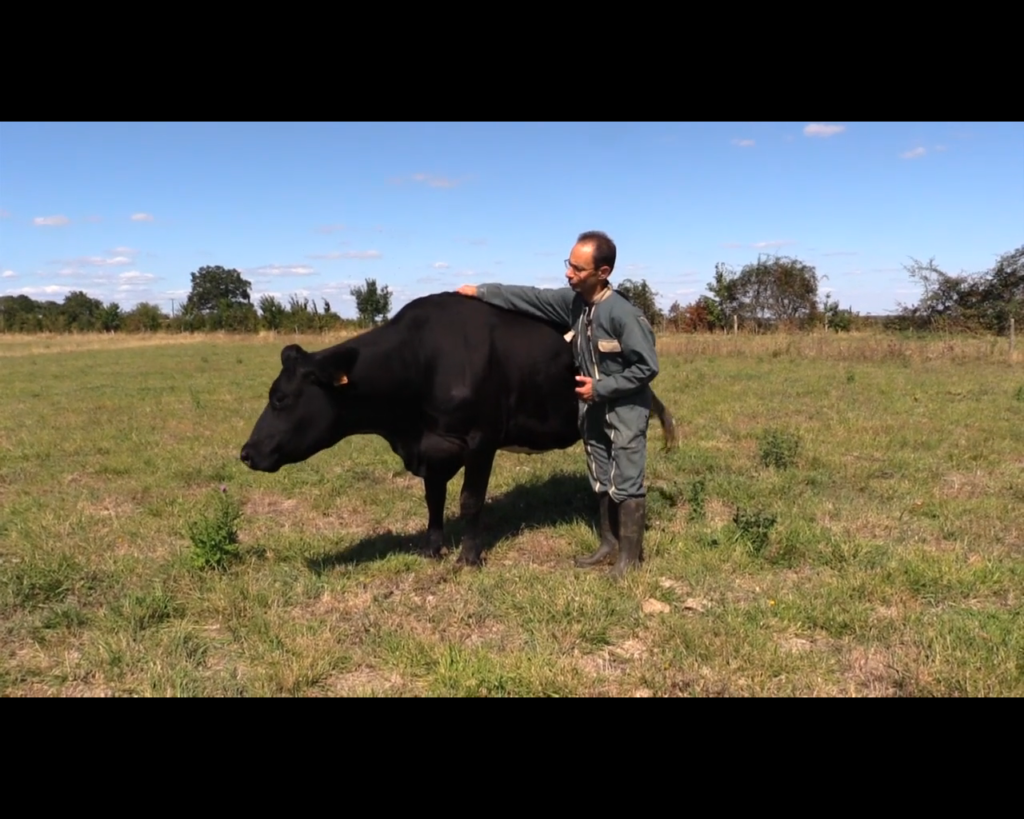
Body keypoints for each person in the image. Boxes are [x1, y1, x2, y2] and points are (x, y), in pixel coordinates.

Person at [455, 230, 659, 578]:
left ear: (603, 272)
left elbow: (647, 366)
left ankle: (629, 559)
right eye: (569, 264)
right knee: (601, 476)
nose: (569, 273)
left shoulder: (623, 314)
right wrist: (480, 291)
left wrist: (603, 387)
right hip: (592, 409)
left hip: (624, 409)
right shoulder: (575, 304)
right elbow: (529, 297)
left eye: (578, 269)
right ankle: (608, 545)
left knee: (626, 480)